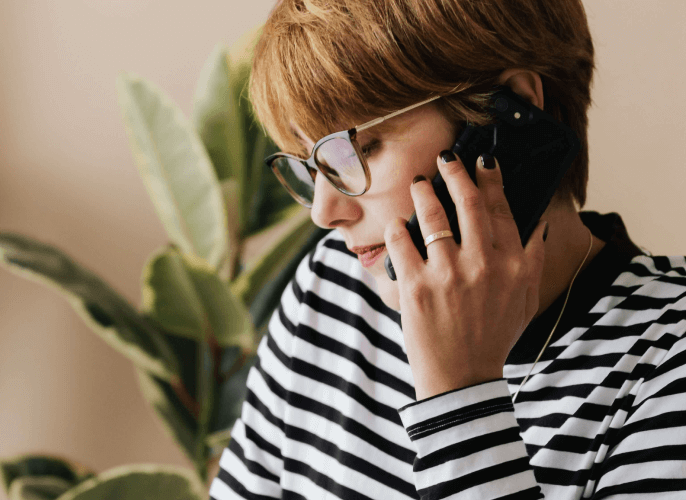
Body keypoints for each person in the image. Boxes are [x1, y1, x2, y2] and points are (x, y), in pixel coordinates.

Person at [208, 0, 686, 499]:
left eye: (359, 149)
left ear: (510, 117)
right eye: (311, 162)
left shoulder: (667, 363)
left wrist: (460, 393)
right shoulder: (332, 287)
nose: (324, 213)